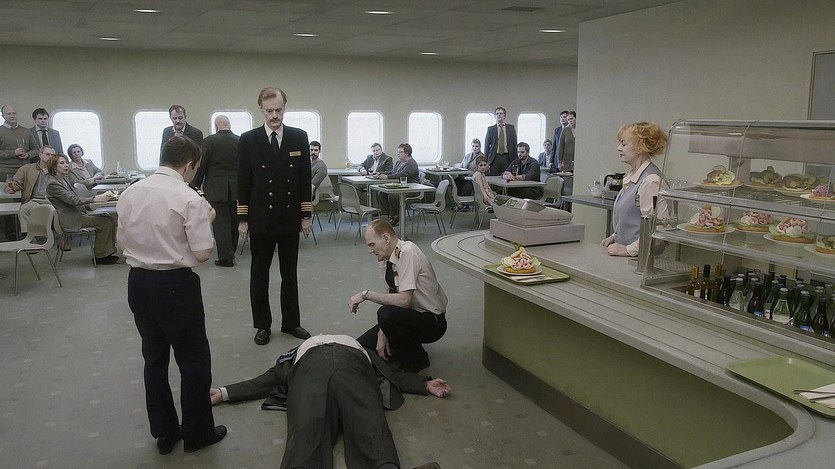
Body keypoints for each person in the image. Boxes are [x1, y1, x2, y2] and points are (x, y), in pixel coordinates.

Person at [116, 136, 226, 455]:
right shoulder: (188, 197)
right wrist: (206, 220)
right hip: (176, 286)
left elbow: (121, 245)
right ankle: (197, 432)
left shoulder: (131, 192)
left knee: (154, 359)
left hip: (138, 282)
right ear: (189, 165)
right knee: (193, 360)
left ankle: (164, 433)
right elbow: (202, 253)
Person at [209, 334, 450, 469]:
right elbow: (390, 374)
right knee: (370, 427)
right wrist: (424, 383)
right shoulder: (359, 347)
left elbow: (269, 379)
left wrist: (225, 392)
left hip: (311, 368)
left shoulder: (298, 351)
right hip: (353, 365)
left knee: (307, 432)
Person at [238, 86, 312, 345]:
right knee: (259, 275)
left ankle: (291, 322)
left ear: (284, 109)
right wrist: (243, 219)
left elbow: (304, 178)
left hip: (289, 218)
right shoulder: (248, 140)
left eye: (278, 110)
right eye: (269, 111)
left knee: (289, 274)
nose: (274, 116)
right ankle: (262, 325)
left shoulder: (298, 137)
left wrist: (305, 214)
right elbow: (243, 181)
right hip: (261, 219)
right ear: (261, 109)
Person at [349, 220, 448, 373]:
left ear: (386, 238)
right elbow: (392, 298)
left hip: (432, 321)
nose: (370, 250)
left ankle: (417, 359)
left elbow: (404, 300)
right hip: (409, 315)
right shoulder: (385, 259)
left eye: (372, 245)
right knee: (359, 348)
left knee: (385, 314)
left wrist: (366, 295)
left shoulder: (408, 252)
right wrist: (383, 330)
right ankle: (401, 350)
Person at [601, 122, 669, 257]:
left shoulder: (651, 181)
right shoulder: (632, 176)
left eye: (623, 144)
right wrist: (616, 236)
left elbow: (658, 229)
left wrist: (628, 249)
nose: (618, 148)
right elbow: (632, 220)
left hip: (644, 260)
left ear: (640, 148)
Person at [45, 153, 119, 264]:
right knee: (104, 222)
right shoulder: (53, 184)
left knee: (109, 218)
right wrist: (94, 199)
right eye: (62, 163)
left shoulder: (63, 180)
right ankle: (100, 256)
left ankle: (108, 253)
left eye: (66, 162)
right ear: (54, 167)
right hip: (70, 219)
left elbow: (75, 198)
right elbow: (72, 200)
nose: (66, 165)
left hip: (77, 214)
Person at [192, 115, 240, 267]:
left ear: (215, 126)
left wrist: (194, 186)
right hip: (236, 189)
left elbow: (202, 166)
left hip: (216, 189)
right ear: (229, 125)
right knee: (234, 223)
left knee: (221, 225)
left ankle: (226, 258)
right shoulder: (240, 141)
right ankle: (231, 251)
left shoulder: (208, 141)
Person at [1, 104, 40, 240]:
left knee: (26, 201)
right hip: (5, 172)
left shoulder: (26, 131)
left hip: (25, 171)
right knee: (9, 203)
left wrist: (28, 154)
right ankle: (12, 233)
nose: (12, 116)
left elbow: (37, 149)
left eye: (14, 113)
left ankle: (28, 233)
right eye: (9, 114)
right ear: (3, 116)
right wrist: (13, 152)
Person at [6, 145, 55, 234]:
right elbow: (16, 182)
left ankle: (62, 237)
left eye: (52, 155)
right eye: (48, 154)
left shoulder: (57, 169)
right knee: (24, 209)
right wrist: (12, 188)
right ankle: (28, 237)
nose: (50, 157)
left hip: (52, 200)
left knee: (61, 209)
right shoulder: (27, 168)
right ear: (40, 155)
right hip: (34, 200)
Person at [377, 143, 419, 226]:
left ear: (406, 153)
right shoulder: (399, 162)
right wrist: (380, 173)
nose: (398, 154)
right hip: (400, 187)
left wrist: (387, 177)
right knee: (382, 193)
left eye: (400, 152)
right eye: (398, 152)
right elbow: (393, 172)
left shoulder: (411, 164)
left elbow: (402, 175)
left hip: (411, 189)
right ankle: (388, 214)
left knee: (393, 195)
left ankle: (395, 216)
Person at [484, 106, 517, 176]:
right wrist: (485, 161)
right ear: (495, 116)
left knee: (506, 176)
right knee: (494, 177)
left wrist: (516, 160)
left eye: (501, 113)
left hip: (507, 157)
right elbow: (487, 146)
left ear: (504, 116)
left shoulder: (511, 128)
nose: (499, 115)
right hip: (495, 157)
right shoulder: (491, 129)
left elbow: (514, 145)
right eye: (497, 114)